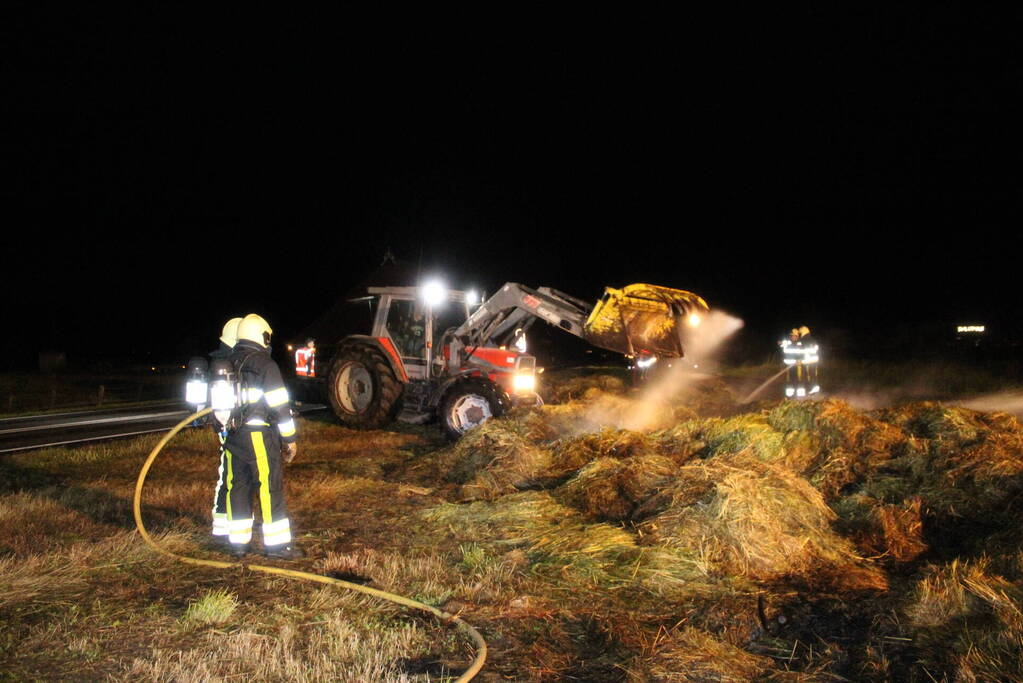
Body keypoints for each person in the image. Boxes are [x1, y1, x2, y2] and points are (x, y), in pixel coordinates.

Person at [222, 313, 302, 559]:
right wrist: (289, 438)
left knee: (237, 487)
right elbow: (279, 406)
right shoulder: (265, 365)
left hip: (232, 436)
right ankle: (277, 547)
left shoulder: (227, 361)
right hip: (258, 435)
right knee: (269, 488)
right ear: (263, 336)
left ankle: (238, 544)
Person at [209, 317, 242, 548]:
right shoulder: (225, 367)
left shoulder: (222, 364)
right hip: (230, 429)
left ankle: (222, 527)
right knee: (232, 478)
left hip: (229, 428)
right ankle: (224, 529)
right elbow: (222, 411)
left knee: (229, 478)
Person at [780, 326, 820, 398]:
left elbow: (802, 353)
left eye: (795, 336)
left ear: (798, 336)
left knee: (800, 379)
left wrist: (800, 360)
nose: (793, 337)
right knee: (790, 380)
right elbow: (783, 345)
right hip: (790, 365)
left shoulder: (800, 343)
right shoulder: (788, 343)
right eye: (791, 336)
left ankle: (800, 396)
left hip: (799, 365)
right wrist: (780, 343)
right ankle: (790, 395)